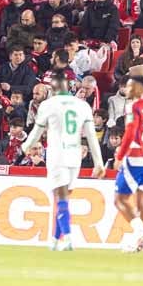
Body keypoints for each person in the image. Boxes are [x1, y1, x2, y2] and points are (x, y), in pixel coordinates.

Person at [20, 72, 105, 251]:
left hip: (57, 155)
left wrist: (25, 146)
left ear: (52, 87)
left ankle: (67, 237)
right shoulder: (82, 105)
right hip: (75, 156)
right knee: (64, 198)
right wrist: (98, 162)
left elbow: (36, 131)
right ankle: (54, 240)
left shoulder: (48, 105)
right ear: (69, 86)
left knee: (61, 198)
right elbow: (91, 136)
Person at [112, 63, 143, 253]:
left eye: (130, 86)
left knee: (120, 200)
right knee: (142, 198)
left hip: (135, 157)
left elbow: (130, 133)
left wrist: (120, 156)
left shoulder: (134, 107)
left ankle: (141, 231)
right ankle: (140, 241)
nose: (126, 89)